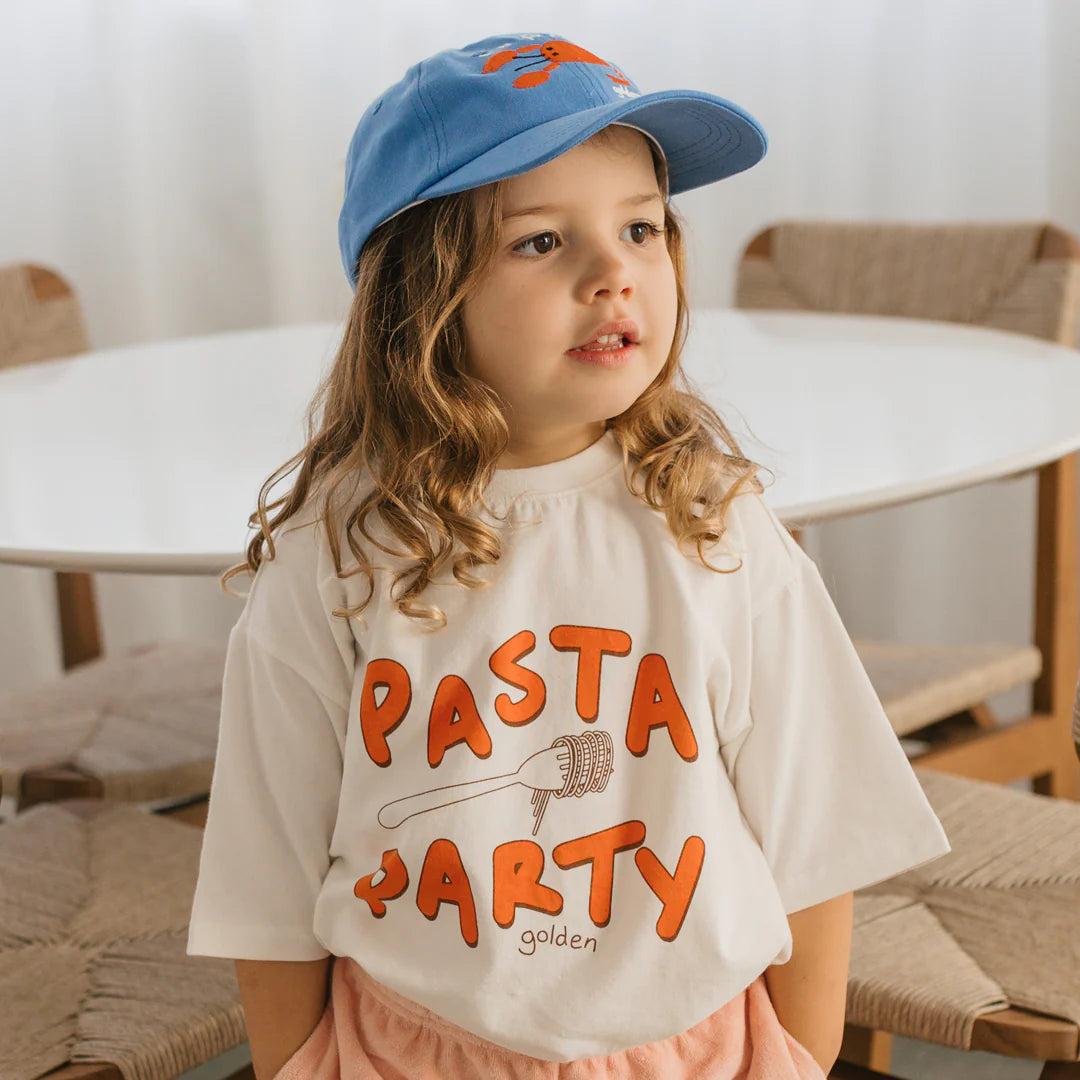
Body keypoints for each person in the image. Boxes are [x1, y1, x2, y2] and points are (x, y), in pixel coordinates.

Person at [187, 31, 951, 1080]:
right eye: (542, 241)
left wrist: (801, 1058)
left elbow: (819, 840)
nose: (615, 275)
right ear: (423, 296)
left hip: (701, 1048)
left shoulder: (714, 522)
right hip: (409, 1051)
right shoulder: (343, 553)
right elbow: (264, 881)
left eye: (642, 228)